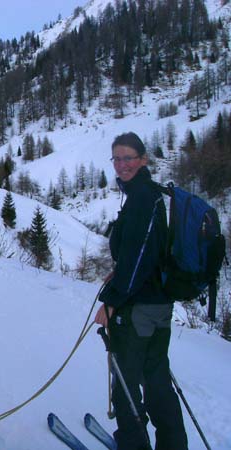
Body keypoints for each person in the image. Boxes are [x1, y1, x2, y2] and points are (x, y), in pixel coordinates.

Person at [94, 132, 188, 450]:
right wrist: (120, 272)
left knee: (125, 383)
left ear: (143, 159)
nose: (122, 165)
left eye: (128, 158)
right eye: (117, 158)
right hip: (157, 305)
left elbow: (136, 259)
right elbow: (144, 253)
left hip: (138, 310)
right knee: (157, 378)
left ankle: (134, 444)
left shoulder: (143, 198)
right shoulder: (146, 195)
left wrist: (110, 302)